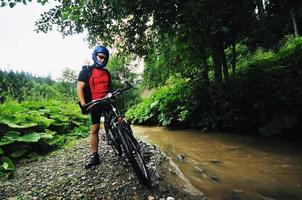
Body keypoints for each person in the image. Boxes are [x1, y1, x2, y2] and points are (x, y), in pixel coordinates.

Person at [77, 45, 111, 169]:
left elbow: (109, 88)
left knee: (119, 119)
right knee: (95, 129)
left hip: (108, 101)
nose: (102, 60)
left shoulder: (107, 72)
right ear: (95, 56)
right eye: (100, 57)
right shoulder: (86, 71)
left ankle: (124, 140)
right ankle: (95, 155)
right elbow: (80, 88)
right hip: (94, 103)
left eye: (105, 58)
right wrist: (83, 104)